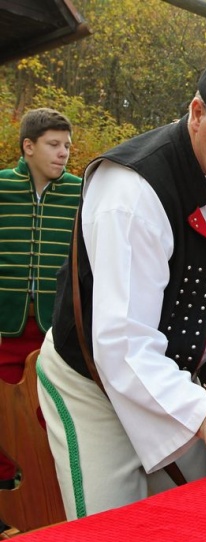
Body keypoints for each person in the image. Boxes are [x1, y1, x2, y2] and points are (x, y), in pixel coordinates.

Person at [35, 50, 206, 519]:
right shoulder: (132, 193)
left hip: (172, 377)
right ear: (197, 112)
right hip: (94, 380)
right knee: (110, 529)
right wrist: (202, 414)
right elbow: (121, 342)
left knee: (198, 516)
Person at [0, 108, 81, 499]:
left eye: (67, 145)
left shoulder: (82, 193)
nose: (63, 152)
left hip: (56, 327)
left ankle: (48, 489)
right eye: (53, 144)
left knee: (47, 410)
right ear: (28, 146)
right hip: (5, 324)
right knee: (1, 411)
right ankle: (4, 490)